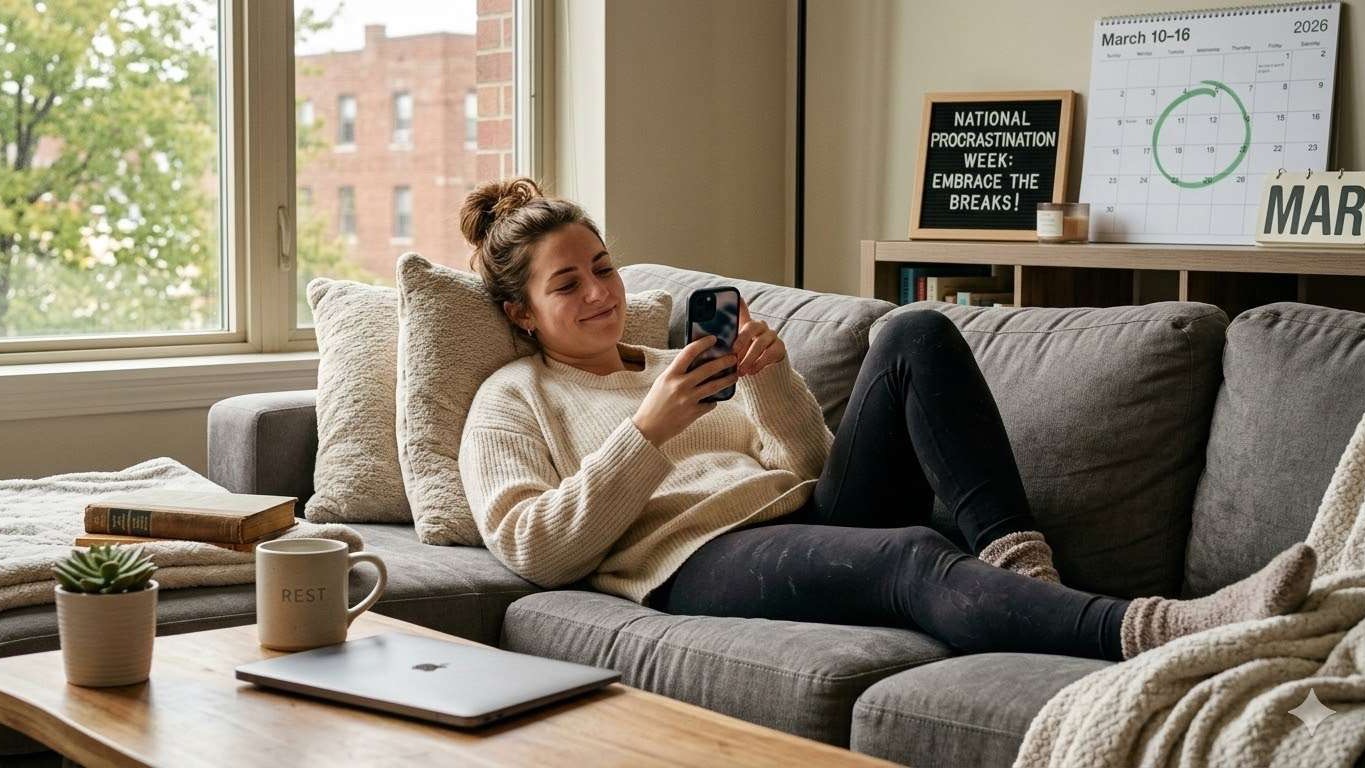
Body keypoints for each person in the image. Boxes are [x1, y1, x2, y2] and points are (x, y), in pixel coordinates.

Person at [457, 177, 1317, 661]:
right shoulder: (513, 399)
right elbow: (534, 548)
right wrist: (644, 433)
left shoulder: (673, 364)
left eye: (601, 267)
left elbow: (807, 462)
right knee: (910, 554)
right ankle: (1157, 626)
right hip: (690, 561)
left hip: (801, 517)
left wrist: (772, 378)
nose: (601, 292)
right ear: (523, 312)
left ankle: (1024, 570)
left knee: (914, 330)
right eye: (567, 283)